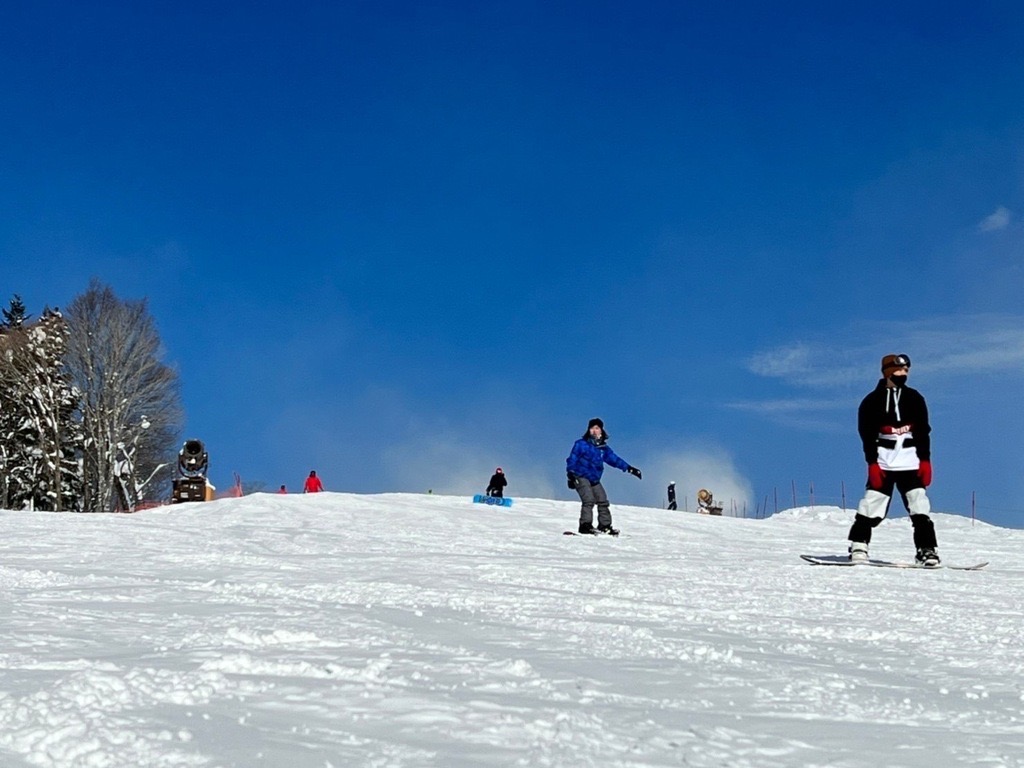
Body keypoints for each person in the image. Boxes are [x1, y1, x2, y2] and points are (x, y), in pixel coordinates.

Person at [848, 354, 939, 565]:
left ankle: (926, 550)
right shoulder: (871, 401)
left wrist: (925, 460)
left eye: (906, 370)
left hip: (910, 460)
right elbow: (866, 434)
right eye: (899, 370)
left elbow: (923, 431)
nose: (903, 374)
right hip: (884, 460)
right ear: (888, 371)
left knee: (919, 506)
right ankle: (859, 545)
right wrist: (872, 462)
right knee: (872, 505)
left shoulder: (915, 398)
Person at [566, 418, 641, 536]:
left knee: (602, 500)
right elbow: (573, 458)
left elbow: (614, 460)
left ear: (601, 431)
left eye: (597, 428)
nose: (594, 431)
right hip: (580, 475)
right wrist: (570, 473)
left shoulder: (603, 449)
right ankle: (585, 525)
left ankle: (604, 525)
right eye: (592, 428)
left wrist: (629, 468)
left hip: (594, 479)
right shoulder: (581, 444)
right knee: (588, 500)